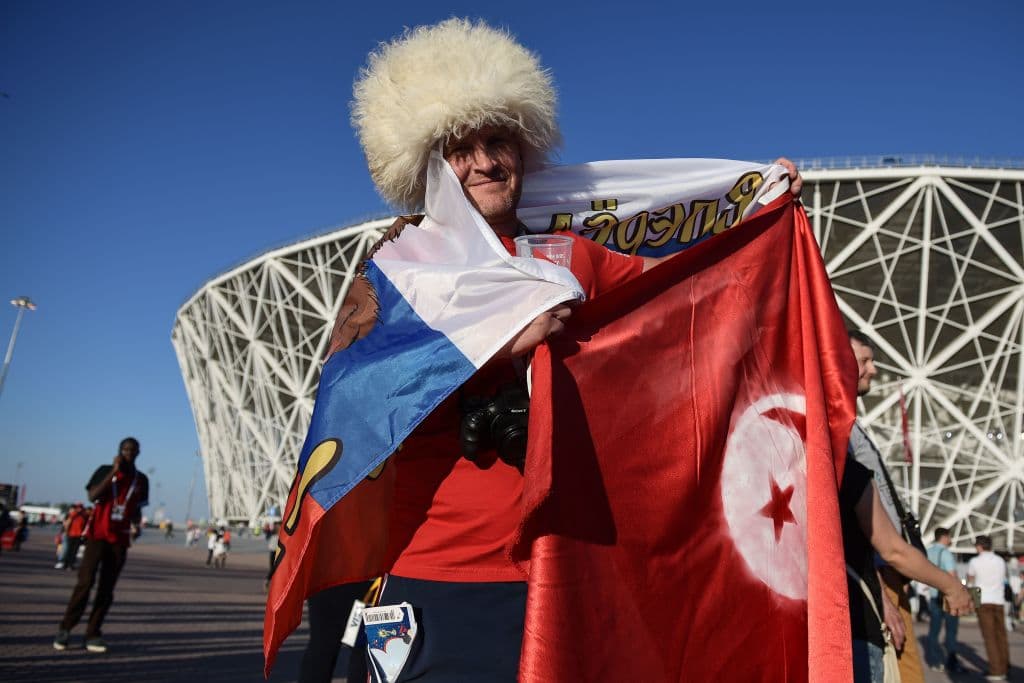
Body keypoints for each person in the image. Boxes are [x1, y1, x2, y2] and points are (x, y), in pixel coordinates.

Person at [339, 18, 804, 680]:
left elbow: (694, 292)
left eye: (498, 141)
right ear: (428, 165)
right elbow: (355, 396)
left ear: (524, 147)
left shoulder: (569, 258)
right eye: (459, 149)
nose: (485, 162)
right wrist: (496, 343)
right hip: (431, 572)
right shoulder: (399, 264)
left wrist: (760, 214)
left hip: (554, 575)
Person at [840, 453, 972, 682]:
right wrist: (952, 587)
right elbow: (894, 551)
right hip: (855, 626)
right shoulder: (847, 471)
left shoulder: (779, 469)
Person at [847, 329, 926, 682]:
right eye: (864, 361)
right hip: (877, 572)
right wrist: (880, 591)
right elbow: (848, 521)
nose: (874, 369)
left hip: (887, 571)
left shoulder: (853, 426)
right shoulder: (839, 429)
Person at [53, 437, 149, 653]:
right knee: (85, 582)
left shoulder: (142, 479)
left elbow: (136, 509)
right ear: (119, 451)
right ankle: (65, 629)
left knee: (107, 588)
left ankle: (93, 633)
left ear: (138, 452)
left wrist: (136, 525)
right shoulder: (104, 470)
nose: (129, 453)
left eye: (133, 450)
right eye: (125, 449)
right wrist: (113, 472)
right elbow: (93, 495)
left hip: (120, 539)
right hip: (97, 534)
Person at [968, 535, 1010, 681]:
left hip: (984, 601)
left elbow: (971, 583)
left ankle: (996, 671)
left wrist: (974, 603)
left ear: (979, 546)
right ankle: (1005, 666)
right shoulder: (1000, 561)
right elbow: (1003, 579)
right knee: (1001, 635)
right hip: (998, 600)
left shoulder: (974, 561)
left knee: (989, 637)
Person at [925, 527, 963, 672]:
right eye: (949, 537)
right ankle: (952, 662)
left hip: (934, 594)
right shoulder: (945, 553)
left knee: (934, 629)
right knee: (951, 629)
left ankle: (934, 661)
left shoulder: (928, 551)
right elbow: (952, 575)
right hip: (948, 596)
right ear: (945, 537)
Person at [56, 503, 88, 570]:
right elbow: (67, 523)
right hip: (70, 535)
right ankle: (65, 563)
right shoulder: (73, 514)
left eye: (80, 507)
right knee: (68, 550)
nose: (79, 509)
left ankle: (70, 564)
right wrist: (65, 532)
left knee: (74, 551)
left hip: (78, 535)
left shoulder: (84, 516)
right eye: (78, 507)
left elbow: (85, 525)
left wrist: (83, 534)